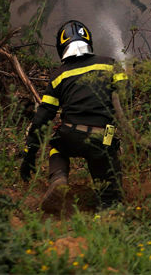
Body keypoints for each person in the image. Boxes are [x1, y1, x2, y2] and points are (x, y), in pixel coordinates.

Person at [20, 20, 128, 212]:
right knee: (107, 159)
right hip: (104, 135)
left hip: (71, 134)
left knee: (56, 146)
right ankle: (108, 204)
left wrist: (30, 152)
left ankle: (59, 178)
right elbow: (126, 95)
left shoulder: (59, 76)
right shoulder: (110, 64)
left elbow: (43, 117)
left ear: (62, 47)